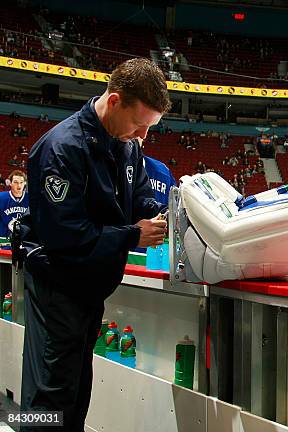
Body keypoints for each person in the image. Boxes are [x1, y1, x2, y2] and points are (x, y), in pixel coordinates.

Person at [17, 58, 172, 431]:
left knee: (77, 387)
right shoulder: (60, 148)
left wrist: (162, 215)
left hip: (90, 287)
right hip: (57, 285)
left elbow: (138, 202)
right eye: (139, 124)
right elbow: (65, 236)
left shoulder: (127, 145)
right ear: (115, 101)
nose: (143, 136)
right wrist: (133, 234)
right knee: (49, 392)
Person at [0, 169, 28, 239]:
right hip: (4, 242)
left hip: (24, 241)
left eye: (21, 182)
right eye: (15, 182)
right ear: (10, 183)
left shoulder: (31, 199)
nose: (19, 185)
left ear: (25, 183)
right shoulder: (1, 197)